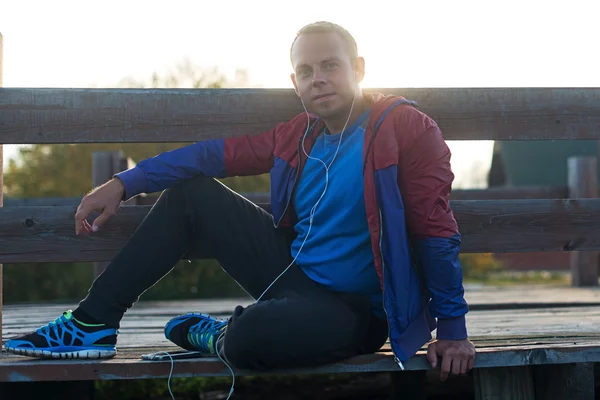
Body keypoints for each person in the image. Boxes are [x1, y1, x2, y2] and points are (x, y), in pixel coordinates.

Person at [4, 21, 475, 381]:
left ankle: (218, 334)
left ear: (359, 69)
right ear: (295, 83)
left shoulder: (405, 129)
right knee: (192, 195)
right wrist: (125, 182)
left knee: (251, 337)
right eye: (306, 71)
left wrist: (453, 330)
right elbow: (211, 156)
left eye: (331, 65)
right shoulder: (297, 135)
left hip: (358, 311)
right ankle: (92, 324)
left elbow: (435, 230)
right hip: (291, 274)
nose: (319, 79)